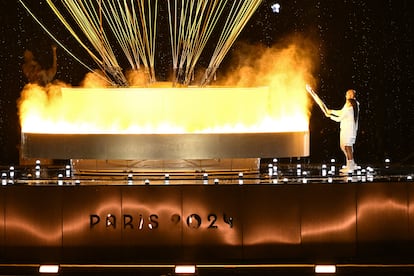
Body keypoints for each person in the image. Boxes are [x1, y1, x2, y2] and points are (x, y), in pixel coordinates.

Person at [327, 89, 360, 174]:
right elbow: (342, 112)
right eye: (347, 94)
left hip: (348, 130)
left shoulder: (351, 106)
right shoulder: (351, 105)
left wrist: (330, 116)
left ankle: (350, 166)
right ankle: (351, 163)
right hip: (349, 129)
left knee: (347, 147)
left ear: (352, 96)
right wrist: (331, 111)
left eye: (348, 94)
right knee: (346, 147)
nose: (346, 96)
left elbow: (340, 118)